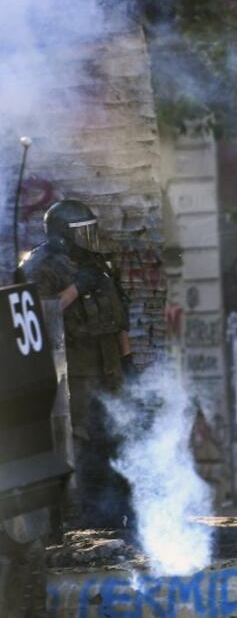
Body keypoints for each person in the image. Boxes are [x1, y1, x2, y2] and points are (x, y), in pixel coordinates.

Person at [17, 199, 134, 528]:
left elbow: (119, 318)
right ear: (62, 234)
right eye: (83, 232)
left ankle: (117, 512)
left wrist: (127, 362)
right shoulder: (41, 266)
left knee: (114, 434)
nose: (90, 238)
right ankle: (78, 516)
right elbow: (38, 314)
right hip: (74, 372)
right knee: (79, 440)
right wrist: (76, 286)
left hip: (109, 367)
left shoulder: (98, 265)